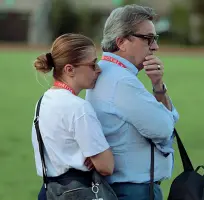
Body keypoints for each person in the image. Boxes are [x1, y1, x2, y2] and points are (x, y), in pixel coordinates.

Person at [85, 4, 180, 200]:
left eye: (155, 39)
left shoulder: (106, 70)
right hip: (133, 190)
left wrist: (158, 84)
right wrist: (168, 116)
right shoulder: (121, 80)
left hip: (120, 187)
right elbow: (164, 128)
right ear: (121, 42)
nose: (155, 47)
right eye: (148, 39)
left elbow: (167, 122)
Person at [31, 33, 114, 200]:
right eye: (92, 64)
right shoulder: (78, 107)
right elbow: (106, 166)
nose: (99, 69)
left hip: (49, 192)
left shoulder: (43, 101)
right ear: (70, 69)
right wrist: (94, 154)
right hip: (78, 192)